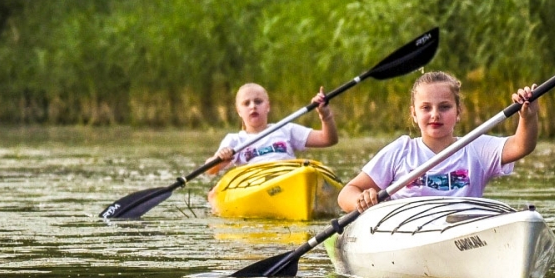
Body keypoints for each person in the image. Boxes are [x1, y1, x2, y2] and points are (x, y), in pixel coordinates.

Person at [338, 71, 538, 212]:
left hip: (464, 235)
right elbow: (346, 194)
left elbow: (521, 146)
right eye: (426, 108)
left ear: (458, 112)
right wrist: (361, 200)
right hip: (406, 234)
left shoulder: (475, 147)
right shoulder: (402, 150)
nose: (435, 115)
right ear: (414, 114)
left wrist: (527, 117)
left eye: (444, 107)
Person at [208, 83, 338, 174]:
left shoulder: (285, 129)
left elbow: (328, 139)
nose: (253, 106)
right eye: (246, 103)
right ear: (239, 111)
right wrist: (220, 158)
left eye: (258, 102)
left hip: (289, 176)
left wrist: (325, 115)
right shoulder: (234, 140)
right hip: (255, 182)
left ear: (268, 106)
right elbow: (210, 169)